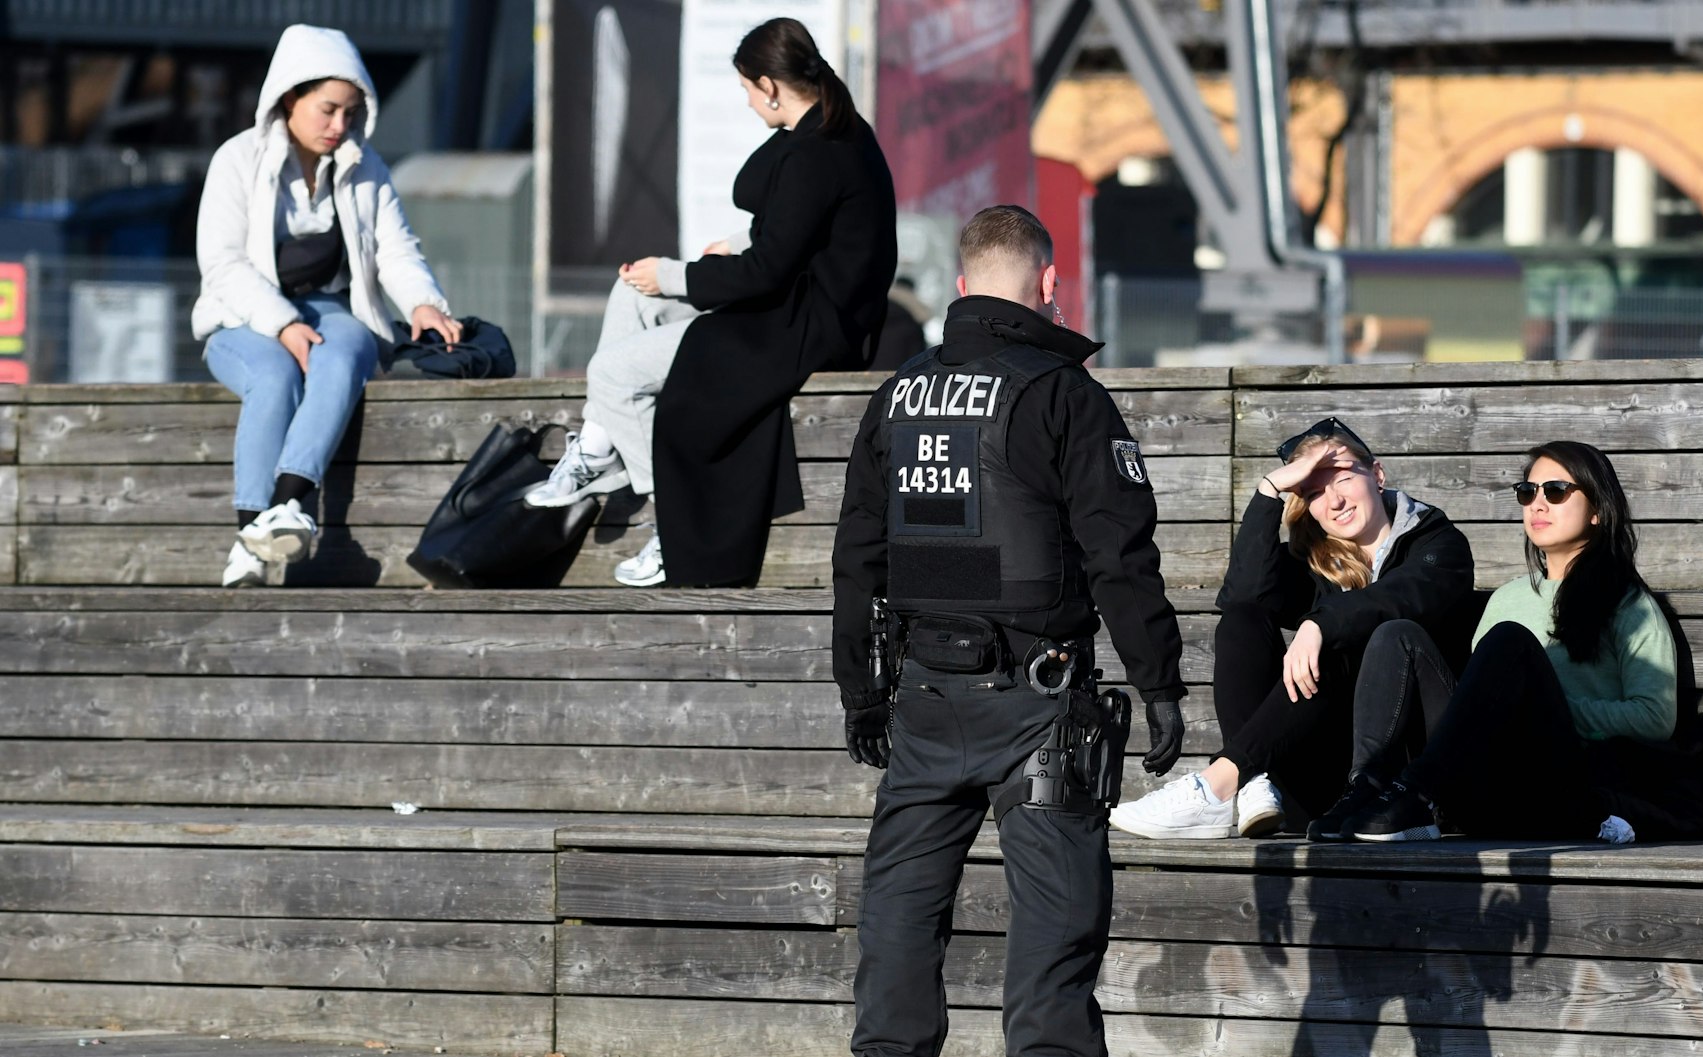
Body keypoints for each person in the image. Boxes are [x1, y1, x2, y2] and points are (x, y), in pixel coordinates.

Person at [831, 205, 1187, 1057]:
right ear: (1050, 285)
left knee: (897, 927)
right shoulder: (1063, 395)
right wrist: (1160, 682)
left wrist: (861, 690)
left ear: (960, 287)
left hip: (919, 700)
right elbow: (1119, 557)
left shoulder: (898, 395)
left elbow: (857, 556)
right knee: (1055, 937)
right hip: (1038, 707)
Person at [526, 16, 896, 589]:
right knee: (632, 292)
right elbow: (806, 231)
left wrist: (678, 275)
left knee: (612, 372)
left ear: (770, 86)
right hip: (793, 306)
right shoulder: (832, 133)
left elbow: (770, 270)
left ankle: (670, 521)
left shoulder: (816, 151)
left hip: (802, 326)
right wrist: (737, 243)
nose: (747, 102)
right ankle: (599, 446)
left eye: (748, 88)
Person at [1108, 419, 1475, 839]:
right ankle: (1249, 784)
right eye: (1313, 492)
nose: (1334, 501)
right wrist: (1269, 490)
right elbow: (1242, 597)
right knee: (1242, 621)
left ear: (1377, 474)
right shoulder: (1316, 563)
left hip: (1408, 789)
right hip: (1322, 793)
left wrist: (1319, 625)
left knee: (1353, 638)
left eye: (1342, 478)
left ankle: (1218, 783)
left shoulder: (1439, 545)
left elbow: (1400, 599)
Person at [194, 24, 458, 588]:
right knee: (273, 374)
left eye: (350, 112)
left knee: (350, 349)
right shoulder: (236, 160)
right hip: (241, 318)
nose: (339, 126)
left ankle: (287, 506)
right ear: (290, 98)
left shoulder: (366, 167)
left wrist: (423, 304)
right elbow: (220, 263)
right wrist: (283, 324)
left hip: (329, 307)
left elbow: (396, 249)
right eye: (327, 110)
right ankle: (251, 536)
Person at [1332, 440, 1682, 843]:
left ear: (1599, 510)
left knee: (1510, 641)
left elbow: (1656, 717)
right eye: (1527, 492)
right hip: (1488, 778)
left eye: (1556, 492)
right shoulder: (1507, 599)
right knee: (1398, 635)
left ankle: (1416, 792)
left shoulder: (1628, 604)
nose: (1537, 504)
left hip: (1563, 779)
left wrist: (1548, 708)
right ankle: (1364, 791)